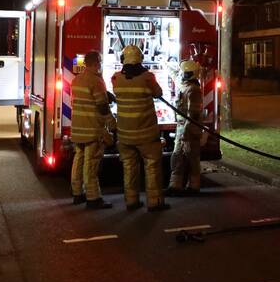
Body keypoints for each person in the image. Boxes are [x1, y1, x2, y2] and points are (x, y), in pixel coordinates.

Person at [111, 44, 169, 211]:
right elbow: (158, 93)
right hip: (146, 134)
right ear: (140, 60)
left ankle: (131, 201)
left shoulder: (116, 79)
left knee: (129, 167)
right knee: (152, 166)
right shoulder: (148, 77)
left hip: (125, 135)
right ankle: (155, 201)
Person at [70, 50, 116, 209]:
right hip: (92, 130)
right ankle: (93, 198)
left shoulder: (77, 80)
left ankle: (77, 194)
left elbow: (87, 99)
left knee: (79, 161)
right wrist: (112, 123)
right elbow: (102, 107)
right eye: (100, 62)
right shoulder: (96, 81)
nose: (101, 65)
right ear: (96, 63)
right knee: (91, 165)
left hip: (78, 129)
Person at [167, 60, 203, 196]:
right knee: (177, 157)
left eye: (185, 73)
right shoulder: (185, 85)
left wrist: (186, 135)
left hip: (190, 131)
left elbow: (192, 116)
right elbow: (175, 75)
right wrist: (165, 63)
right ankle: (174, 186)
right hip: (182, 129)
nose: (182, 75)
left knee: (192, 158)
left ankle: (194, 187)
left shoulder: (193, 90)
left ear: (190, 74)